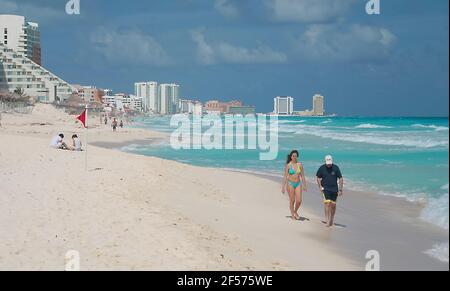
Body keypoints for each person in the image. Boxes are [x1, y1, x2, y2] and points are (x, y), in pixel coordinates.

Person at [316, 155, 344, 228]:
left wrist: (340, 189)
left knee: (333, 205)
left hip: (334, 189)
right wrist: (320, 187)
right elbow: (318, 178)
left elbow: (340, 178)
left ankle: (331, 219)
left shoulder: (336, 168)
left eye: (330, 163)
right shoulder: (322, 168)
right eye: (327, 163)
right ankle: (327, 221)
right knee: (327, 203)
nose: (329, 164)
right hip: (325, 189)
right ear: (325, 162)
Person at [282, 150, 307, 220]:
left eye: (296, 156)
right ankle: (292, 215)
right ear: (291, 156)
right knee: (292, 200)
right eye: (293, 156)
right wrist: (283, 187)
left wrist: (305, 185)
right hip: (290, 183)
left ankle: (295, 211)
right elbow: (285, 176)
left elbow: (302, 176)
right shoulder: (288, 165)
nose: (294, 157)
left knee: (299, 200)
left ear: (297, 156)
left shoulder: (300, 165)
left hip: (298, 183)